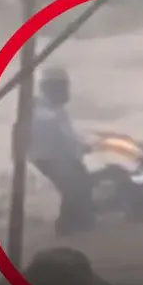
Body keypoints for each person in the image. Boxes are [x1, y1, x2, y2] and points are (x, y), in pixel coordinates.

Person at [29, 67, 95, 236]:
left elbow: (68, 135)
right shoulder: (43, 112)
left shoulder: (55, 109)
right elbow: (58, 136)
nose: (67, 92)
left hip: (58, 157)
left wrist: (84, 145)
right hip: (47, 158)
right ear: (48, 88)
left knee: (81, 182)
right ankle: (68, 228)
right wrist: (82, 147)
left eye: (66, 86)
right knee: (75, 185)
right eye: (62, 87)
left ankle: (79, 224)